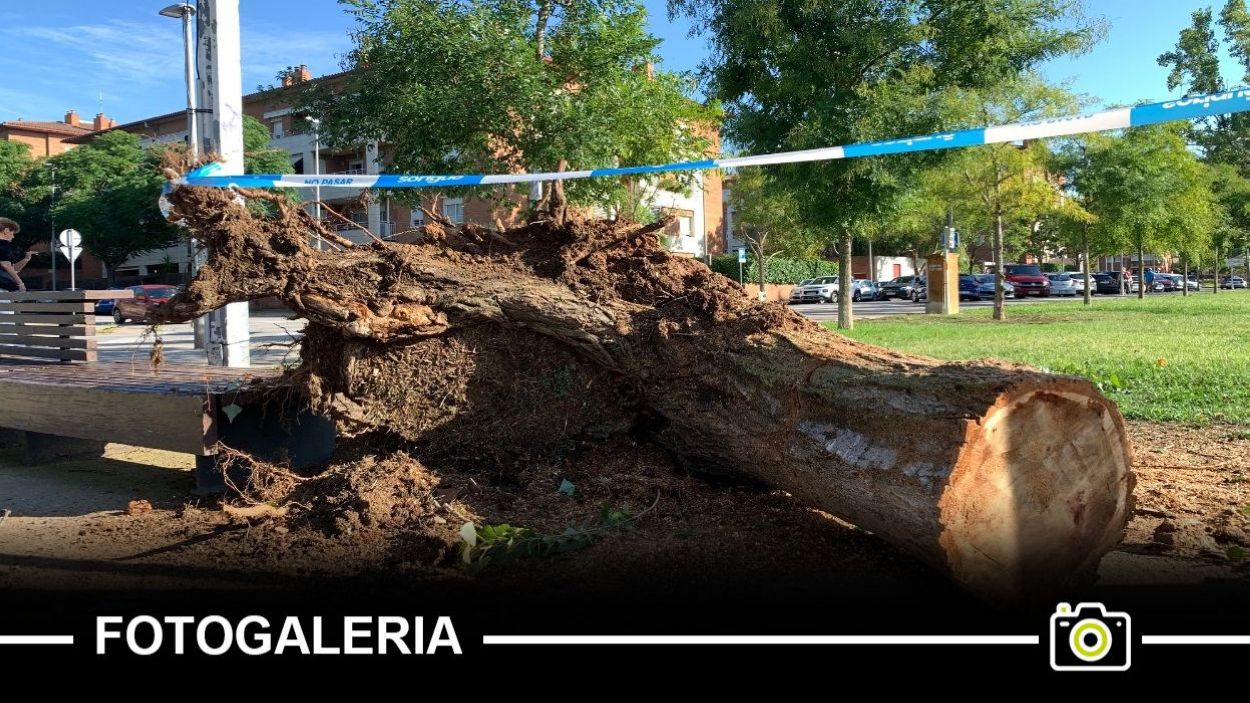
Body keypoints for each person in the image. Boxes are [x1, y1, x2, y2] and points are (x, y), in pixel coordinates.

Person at [0, 217, 32, 293]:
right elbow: (6, 265)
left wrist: (26, 259)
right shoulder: (3, 244)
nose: (13, 236)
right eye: (13, 233)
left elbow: (12, 270)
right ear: (6, 231)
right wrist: (20, 284)